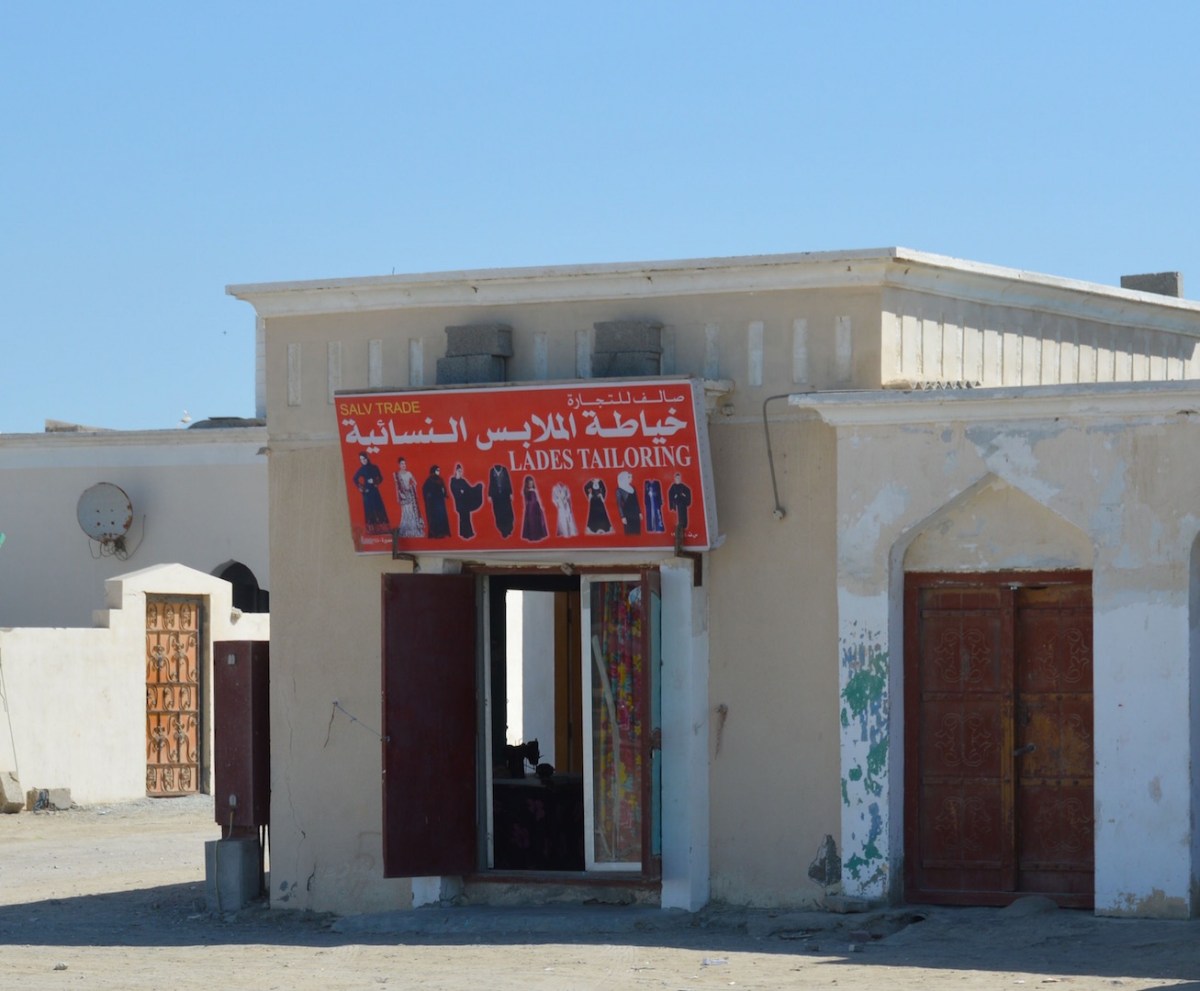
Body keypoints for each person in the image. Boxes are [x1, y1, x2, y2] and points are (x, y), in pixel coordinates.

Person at [353, 453, 391, 534]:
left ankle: (383, 529)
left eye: (364, 459)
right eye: (361, 459)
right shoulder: (361, 469)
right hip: (367, 493)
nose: (363, 461)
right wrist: (362, 488)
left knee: (379, 508)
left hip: (375, 491)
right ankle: (372, 530)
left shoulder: (375, 467)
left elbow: (381, 478)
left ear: (367, 458)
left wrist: (374, 481)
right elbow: (355, 479)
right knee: (369, 510)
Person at [449, 463, 484, 539]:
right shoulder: (453, 481)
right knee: (463, 518)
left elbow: (470, 489)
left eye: (461, 471)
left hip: (465, 503)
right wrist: (460, 492)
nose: (460, 472)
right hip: (460, 503)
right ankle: (466, 534)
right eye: (459, 471)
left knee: (467, 517)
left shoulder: (463, 481)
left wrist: (478, 487)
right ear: (456, 471)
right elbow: (454, 491)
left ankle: (466, 533)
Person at [392, 456, 425, 537]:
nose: (404, 465)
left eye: (404, 464)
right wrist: (400, 494)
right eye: (402, 464)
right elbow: (397, 487)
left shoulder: (409, 473)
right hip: (403, 496)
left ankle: (413, 530)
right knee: (405, 512)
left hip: (410, 495)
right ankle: (406, 531)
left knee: (411, 512)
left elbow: (415, 483)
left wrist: (411, 487)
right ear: (399, 465)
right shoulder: (396, 475)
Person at [422, 464, 451, 538]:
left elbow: (443, 488)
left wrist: (444, 494)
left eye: (439, 470)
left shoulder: (439, 479)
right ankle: (437, 533)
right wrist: (430, 496)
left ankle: (441, 533)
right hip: (434, 503)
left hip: (439, 501)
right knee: (436, 517)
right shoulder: (430, 480)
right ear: (434, 471)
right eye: (437, 470)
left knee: (440, 516)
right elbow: (425, 489)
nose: (438, 471)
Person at [487, 464, 515, 538]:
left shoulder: (504, 469)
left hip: (505, 495)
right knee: (498, 513)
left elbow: (508, 481)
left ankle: (509, 529)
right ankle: (503, 530)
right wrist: (489, 495)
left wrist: (510, 493)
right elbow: (491, 482)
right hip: (496, 496)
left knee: (508, 512)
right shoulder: (492, 471)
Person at [520, 475, 548, 541]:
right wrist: (525, 507)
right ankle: (531, 536)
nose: (531, 485)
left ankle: (538, 535)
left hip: (536, 507)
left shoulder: (535, 490)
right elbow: (525, 500)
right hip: (529, 508)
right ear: (527, 484)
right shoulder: (525, 491)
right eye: (529, 483)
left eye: (532, 483)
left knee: (536, 521)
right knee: (531, 521)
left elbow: (538, 499)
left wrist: (541, 506)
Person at [616, 470, 642, 536]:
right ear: (624, 478)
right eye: (629, 477)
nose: (631, 478)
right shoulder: (619, 490)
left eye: (631, 477)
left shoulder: (633, 488)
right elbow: (619, 505)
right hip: (627, 514)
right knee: (629, 532)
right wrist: (623, 516)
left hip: (635, 513)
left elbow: (636, 501)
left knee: (637, 531)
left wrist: (639, 512)